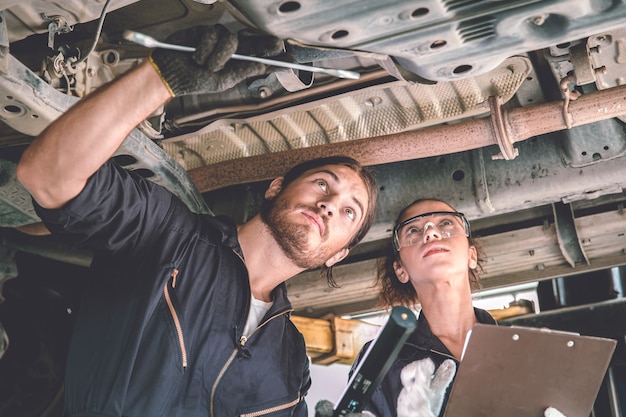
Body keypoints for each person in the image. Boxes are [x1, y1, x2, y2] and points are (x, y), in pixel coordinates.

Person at [15, 24, 378, 417]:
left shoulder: (292, 360)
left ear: (337, 255)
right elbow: (47, 176)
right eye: (323, 183)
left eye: (348, 212)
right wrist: (161, 78)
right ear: (276, 188)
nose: (329, 204)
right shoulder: (167, 233)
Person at [339, 198, 565, 417]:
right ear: (401, 270)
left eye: (446, 223)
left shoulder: (523, 352)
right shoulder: (382, 358)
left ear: (471, 255)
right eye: (413, 231)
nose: (430, 233)